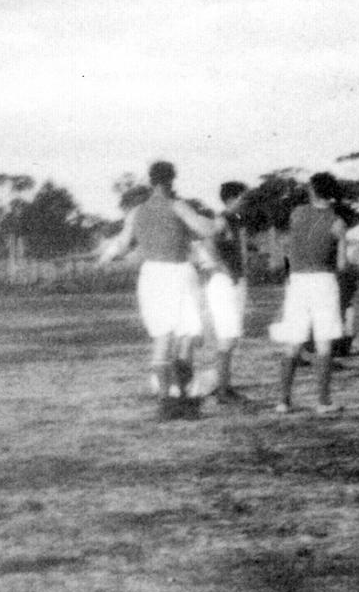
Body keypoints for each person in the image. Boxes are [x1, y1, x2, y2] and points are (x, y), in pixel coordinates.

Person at [98, 160, 217, 420]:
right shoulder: (177, 206)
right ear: (172, 180)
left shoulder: (137, 212)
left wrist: (106, 256)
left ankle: (168, 403)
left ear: (151, 181)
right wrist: (221, 221)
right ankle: (182, 399)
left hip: (152, 276)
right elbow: (205, 228)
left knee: (163, 339)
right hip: (178, 273)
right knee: (186, 338)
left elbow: (120, 243)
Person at [270, 172, 349, 413]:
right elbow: (343, 265)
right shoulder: (338, 223)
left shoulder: (297, 213)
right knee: (324, 342)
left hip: (297, 280)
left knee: (293, 341)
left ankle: (284, 400)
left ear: (313, 190)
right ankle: (323, 402)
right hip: (323, 280)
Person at [204, 181, 252, 404]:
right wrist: (224, 268)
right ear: (232, 199)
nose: (246, 202)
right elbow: (209, 244)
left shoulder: (237, 221)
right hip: (224, 283)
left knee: (231, 337)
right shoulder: (222, 219)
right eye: (243, 198)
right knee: (227, 337)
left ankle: (224, 386)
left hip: (235, 282)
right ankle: (223, 391)